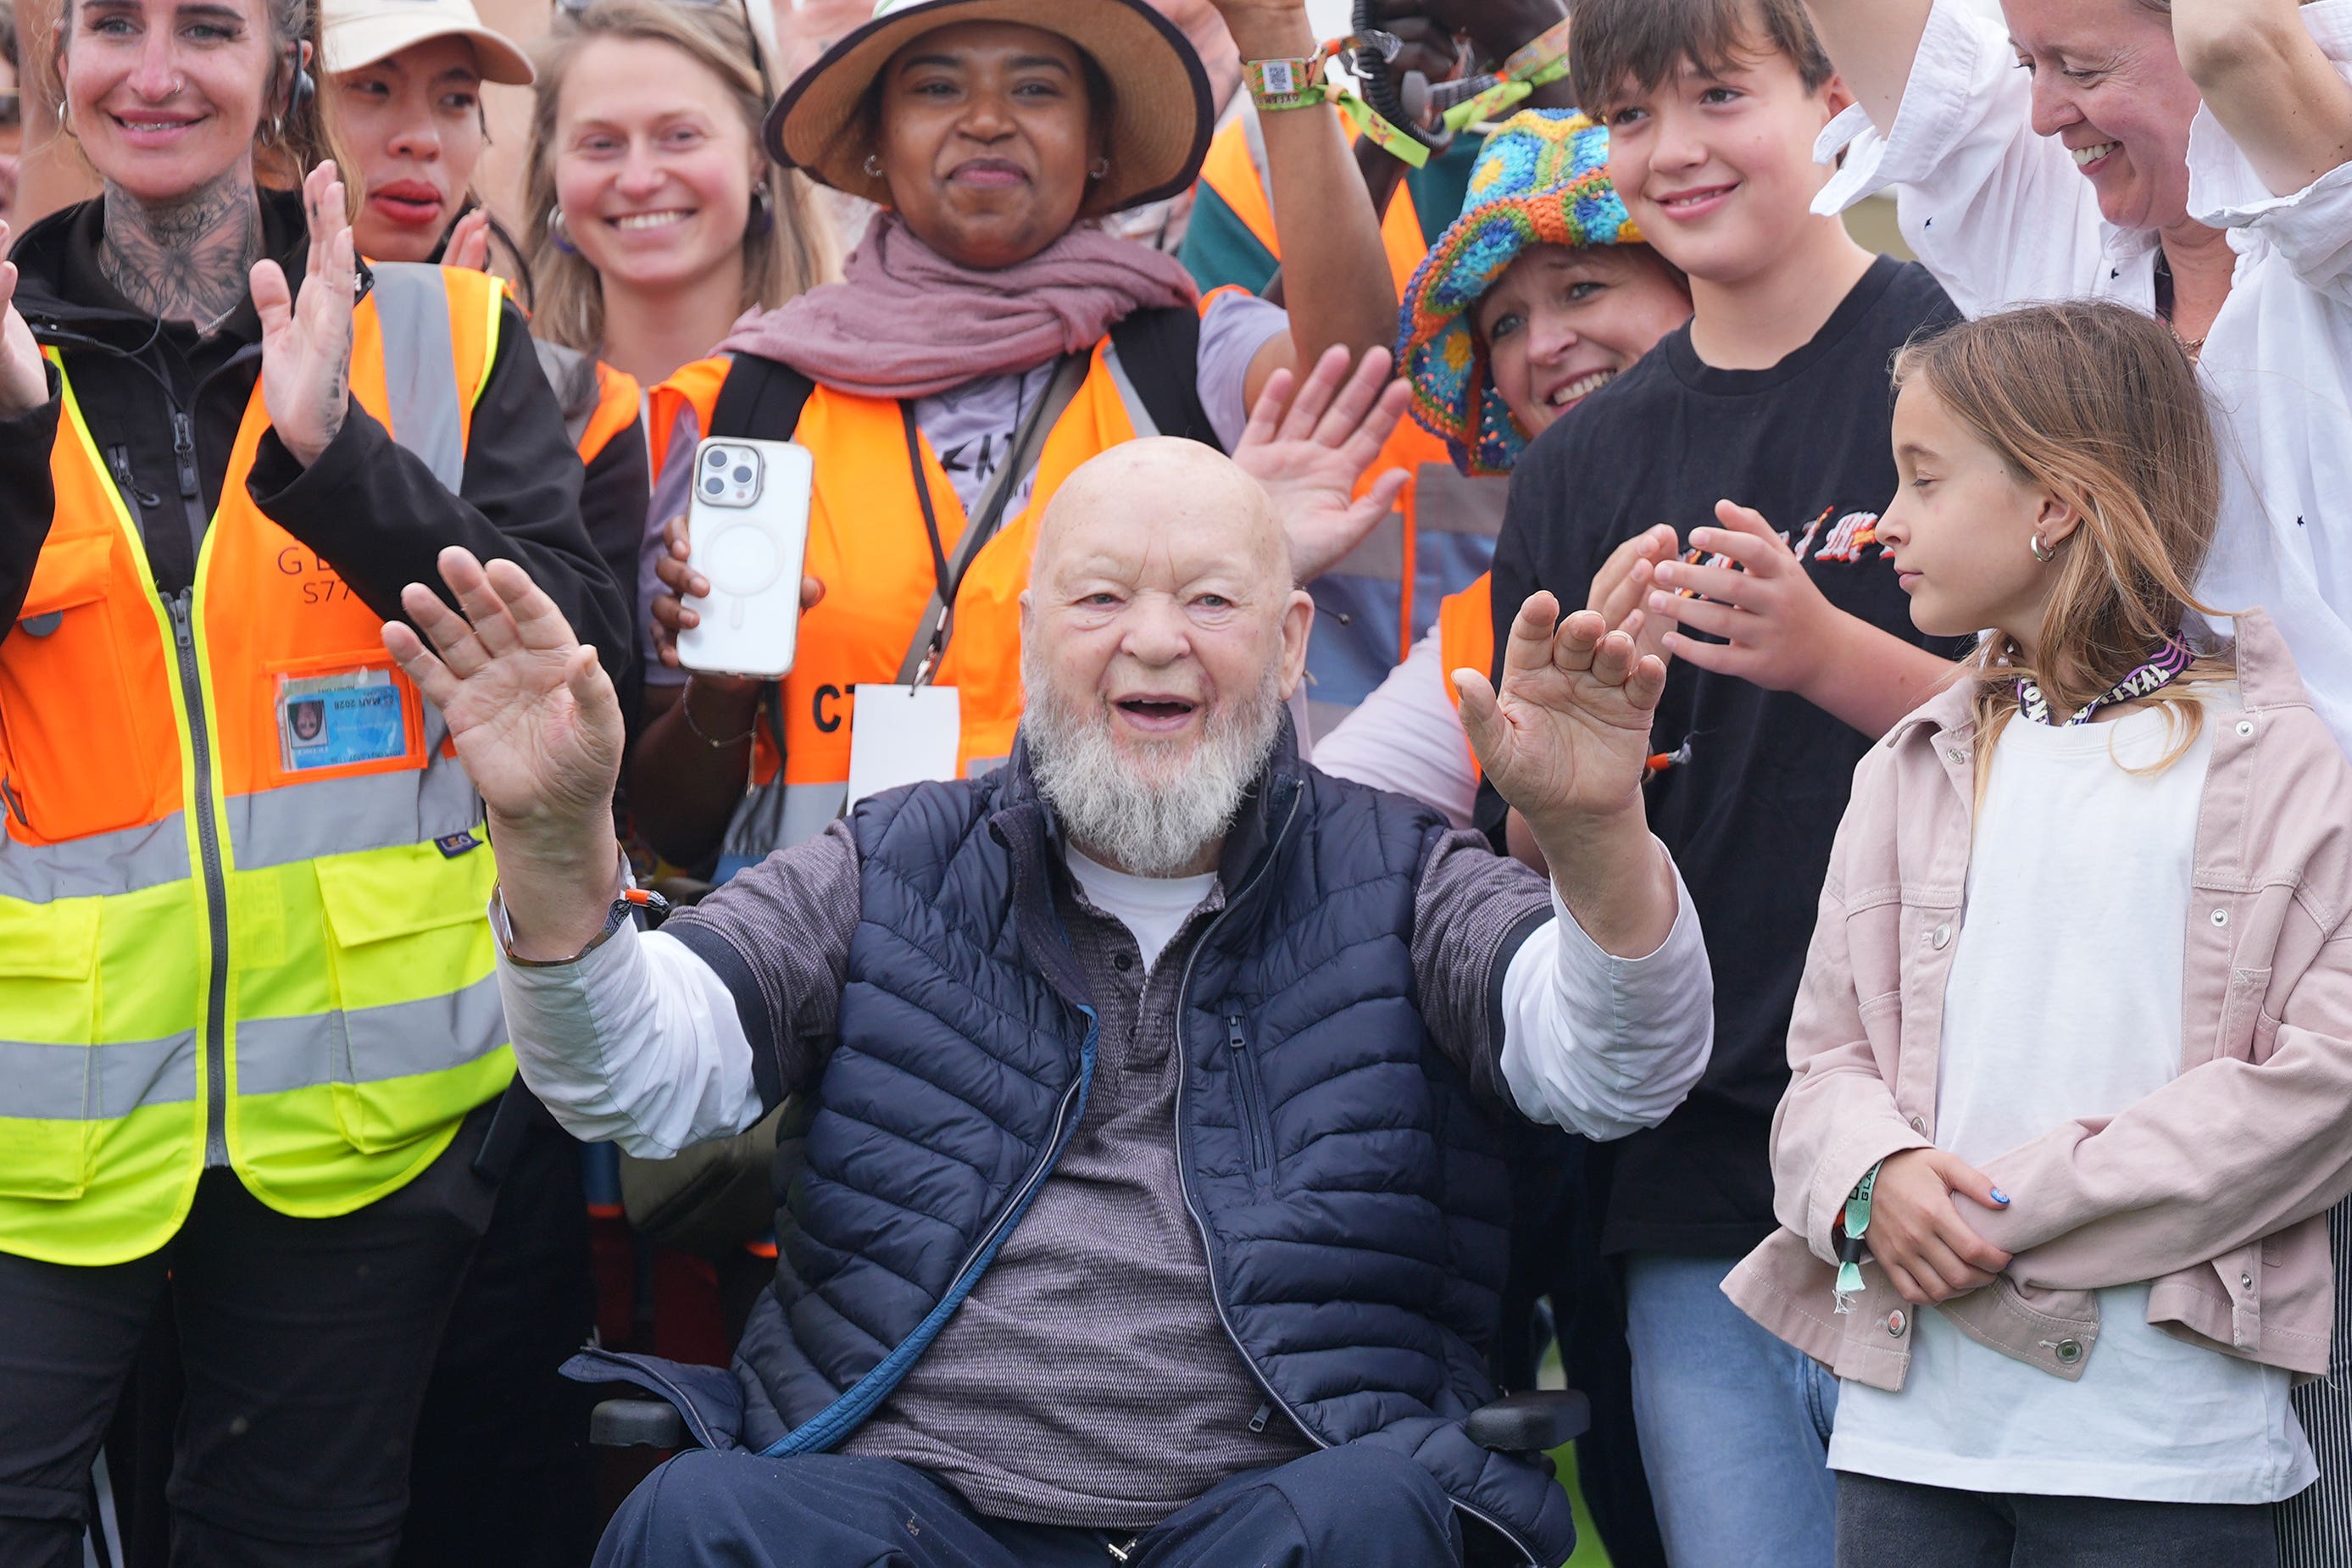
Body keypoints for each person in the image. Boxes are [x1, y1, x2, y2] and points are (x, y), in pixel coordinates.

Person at [384, 434, 1712, 1568]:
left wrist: (1593, 835)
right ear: (1026, 634)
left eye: (1208, 599)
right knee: (699, 1517)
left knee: (1375, 1511)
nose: (1152, 639)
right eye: (1098, 599)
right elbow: (638, 1072)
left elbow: (1607, 1069)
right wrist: (558, 850)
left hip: (1279, 1503)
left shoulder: (1407, 873)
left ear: (1292, 640)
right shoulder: (886, 860)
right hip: (916, 1510)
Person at [0, 0, 624, 1556]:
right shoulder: (5, 336)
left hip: (358, 1123)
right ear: (54, 64)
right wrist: (12, 443)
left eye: (206, 27)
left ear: (285, 63)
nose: (153, 72)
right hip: (36, 1120)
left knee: (299, 1542)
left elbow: (582, 655)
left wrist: (338, 450)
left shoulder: (442, 332)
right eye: (110, 27)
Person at [1726, 298, 2352, 1567]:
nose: (1880, 522)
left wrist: (1991, 1210)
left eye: (1920, 477)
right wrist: (1870, 1179)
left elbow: (2316, 1091)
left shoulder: (2288, 768)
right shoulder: (1909, 765)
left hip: (2161, 1446)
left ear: (2054, 502)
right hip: (1907, 1438)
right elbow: (1820, 1071)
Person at [1479, 0, 1966, 1561]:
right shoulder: (1579, 463)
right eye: (1631, 115)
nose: (1673, 150)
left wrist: (1827, 651)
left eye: (1716, 94)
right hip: (1699, 1177)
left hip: (1966, 1147)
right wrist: (1570, 772)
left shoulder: (1964, 350)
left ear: (1834, 99)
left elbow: (2094, 724)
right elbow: (1531, 844)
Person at [629, 0, 1402, 876]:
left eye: (1036, 88)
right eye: (936, 86)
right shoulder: (748, 401)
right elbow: (667, 829)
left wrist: (1277, 44)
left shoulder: (1183, 358)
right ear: (876, 140)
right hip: (824, 980)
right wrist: (721, 692)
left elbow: (1352, 360)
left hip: (1139, 972)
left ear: (1098, 140)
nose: (988, 120)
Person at [1181, 0, 1579, 737]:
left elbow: (1679, 329)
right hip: (1314, 737)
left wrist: (1531, 46)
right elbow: (1282, 384)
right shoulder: (1258, 162)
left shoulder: (1660, 122)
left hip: (1570, 706)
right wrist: (1387, 131)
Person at [1315, 108, 1694, 827]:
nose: (1543, 345)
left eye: (1582, 287)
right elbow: (1315, 838)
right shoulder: (1495, 623)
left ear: (1698, 285)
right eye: (1506, 326)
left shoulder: (1848, 473)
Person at [524, 0, 834, 392]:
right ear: (551, 167)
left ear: (759, 153)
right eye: (601, 144)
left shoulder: (858, 405)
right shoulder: (497, 409)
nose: (639, 180)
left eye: (681, 136)